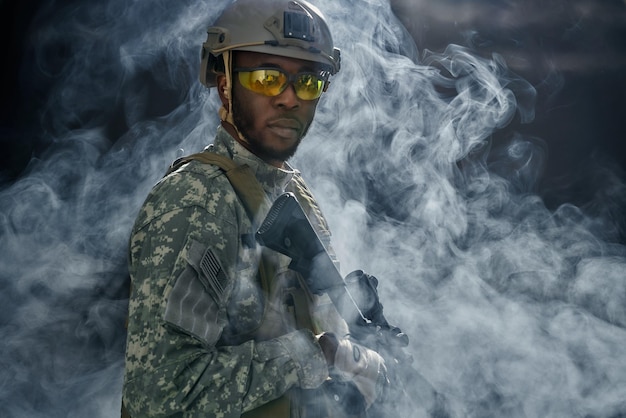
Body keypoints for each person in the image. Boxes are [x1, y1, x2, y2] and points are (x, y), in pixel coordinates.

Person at [122, 1, 389, 417]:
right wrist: (310, 356)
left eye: (308, 82)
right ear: (225, 83)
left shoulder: (294, 192)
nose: (288, 98)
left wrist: (356, 362)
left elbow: (322, 337)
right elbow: (160, 399)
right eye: (267, 78)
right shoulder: (196, 201)